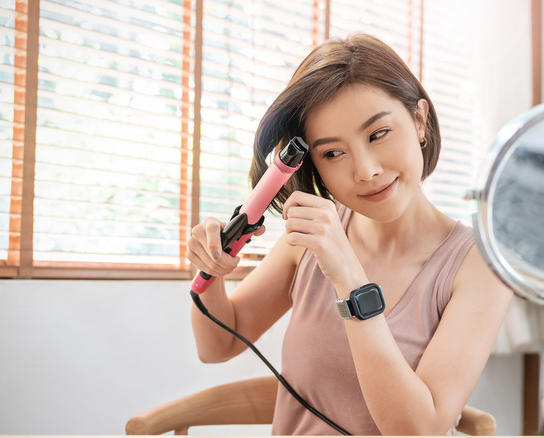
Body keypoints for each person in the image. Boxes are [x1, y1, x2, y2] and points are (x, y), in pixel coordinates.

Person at [186, 33, 513, 435]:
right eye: (333, 153)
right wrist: (211, 270)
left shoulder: (481, 267)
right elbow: (217, 346)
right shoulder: (309, 242)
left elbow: (419, 430)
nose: (366, 170)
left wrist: (351, 280)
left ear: (419, 120)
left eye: (378, 134)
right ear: (314, 167)